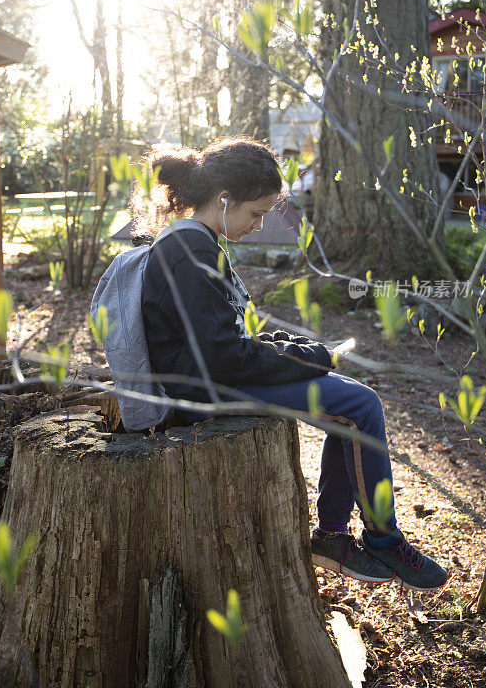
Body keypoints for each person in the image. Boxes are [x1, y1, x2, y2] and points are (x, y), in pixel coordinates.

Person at [136, 136, 448, 592]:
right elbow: (223, 356)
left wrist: (303, 349)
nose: (259, 226)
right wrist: (313, 356)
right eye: (256, 213)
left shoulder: (195, 243)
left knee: (351, 404)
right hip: (204, 391)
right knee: (359, 406)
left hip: (210, 378)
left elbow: (223, 338)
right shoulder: (192, 252)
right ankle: (377, 540)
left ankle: (336, 535)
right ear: (224, 199)